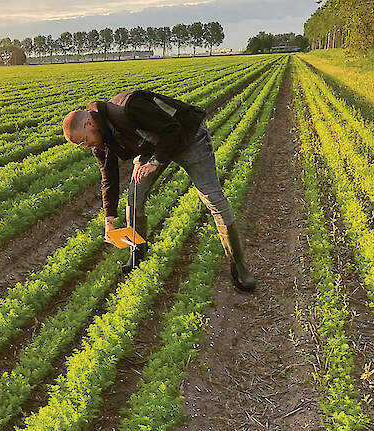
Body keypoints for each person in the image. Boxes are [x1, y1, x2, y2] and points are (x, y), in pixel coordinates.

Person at [62, 89, 256, 291]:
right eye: (81, 145)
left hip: (188, 137)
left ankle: (238, 264)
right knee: (135, 196)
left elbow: (173, 129)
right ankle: (137, 252)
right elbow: (108, 178)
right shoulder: (100, 141)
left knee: (212, 197)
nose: (85, 146)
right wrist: (109, 219)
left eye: (83, 141)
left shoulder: (129, 108)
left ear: (89, 124)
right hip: (153, 148)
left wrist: (155, 162)